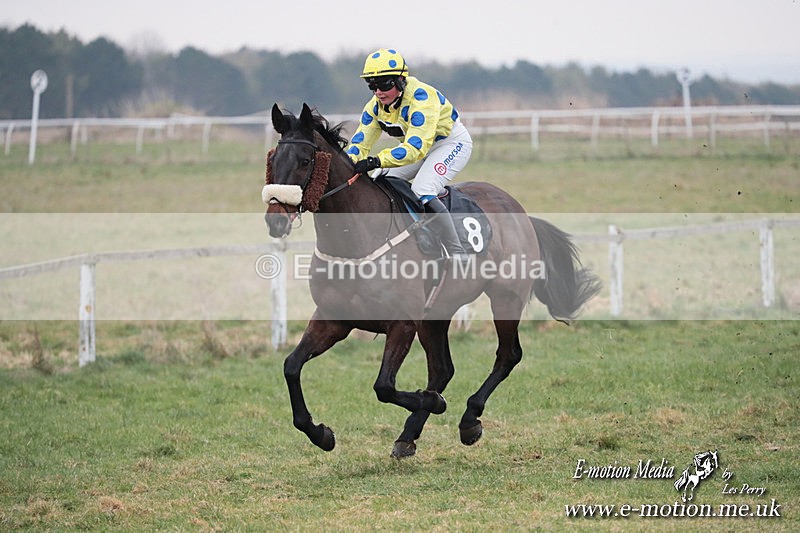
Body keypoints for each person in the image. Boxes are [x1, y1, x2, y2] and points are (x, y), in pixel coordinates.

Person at [347, 48, 473, 263]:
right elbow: (360, 142)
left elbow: (415, 149)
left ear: (400, 80)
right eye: (372, 85)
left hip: (450, 144)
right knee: (378, 180)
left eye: (384, 84)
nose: (378, 92)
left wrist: (376, 160)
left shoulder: (422, 98)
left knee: (422, 189)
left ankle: (456, 250)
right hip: (418, 147)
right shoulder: (374, 107)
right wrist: (348, 164)